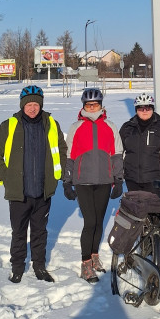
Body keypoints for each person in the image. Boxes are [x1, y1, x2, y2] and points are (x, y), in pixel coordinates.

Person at [0, 85, 67, 284]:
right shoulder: (9, 125)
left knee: (40, 232)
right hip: (18, 193)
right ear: (22, 105)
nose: (32, 108)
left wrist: (60, 175)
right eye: (29, 104)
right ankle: (17, 267)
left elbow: (61, 150)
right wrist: (6, 176)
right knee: (19, 233)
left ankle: (39, 266)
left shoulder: (51, 124)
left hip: (43, 190)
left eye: (36, 104)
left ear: (41, 105)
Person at [63, 87, 123, 283]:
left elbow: (117, 154)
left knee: (99, 221)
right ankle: (85, 263)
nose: (92, 107)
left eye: (95, 104)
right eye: (88, 105)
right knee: (89, 223)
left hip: (104, 180)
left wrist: (118, 179)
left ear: (101, 105)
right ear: (83, 106)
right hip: (83, 181)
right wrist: (67, 181)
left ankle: (94, 255)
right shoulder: (76, 127)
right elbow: (69, 155)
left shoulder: (110, 126)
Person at [119, 93, 160, 197]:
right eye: (141, 108)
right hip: (132, 178)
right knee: (134, 206)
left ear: (153, 109)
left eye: (148, 108)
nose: (144, 111)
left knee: (153, 206)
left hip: (155, 178)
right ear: (136, 110)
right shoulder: (127, 128)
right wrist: (118, 175)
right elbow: (119, 152)